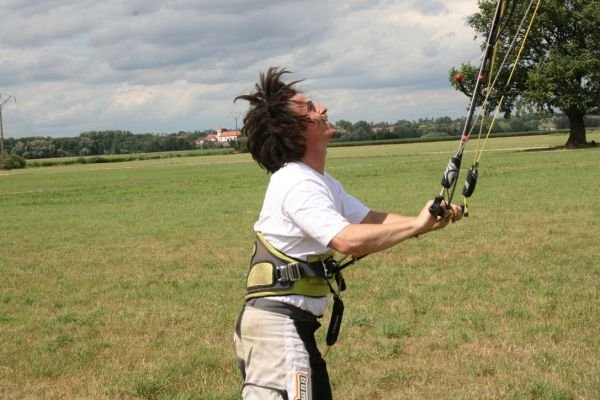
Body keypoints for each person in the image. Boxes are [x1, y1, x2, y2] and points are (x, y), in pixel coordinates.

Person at [233, 67, 462, 400]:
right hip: (277, 328)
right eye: (310, 107)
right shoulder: (295, 182)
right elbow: (347, 240)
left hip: (291, 326)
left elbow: (371, 220)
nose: (322, 108)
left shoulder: (320, 181)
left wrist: (424, 221)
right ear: (293, 128)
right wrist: (416, 225)